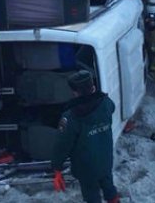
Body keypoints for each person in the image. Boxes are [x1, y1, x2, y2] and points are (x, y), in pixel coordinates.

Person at [51, 70, 120, 203]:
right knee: (108, 184)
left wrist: (57, 167)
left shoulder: (70, 117)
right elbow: (112, 108)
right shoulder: (105, 102)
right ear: (93, 87)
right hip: (105, 159)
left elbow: (62, 145)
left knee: (91, 194)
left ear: (75, 92)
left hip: (86, 167)